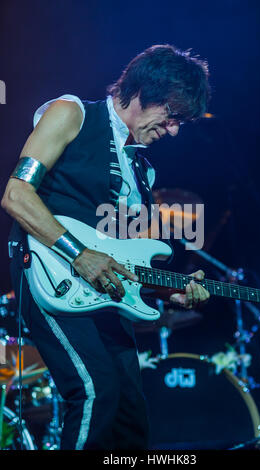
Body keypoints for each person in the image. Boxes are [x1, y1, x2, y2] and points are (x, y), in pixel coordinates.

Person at [1, 44, 211, 450]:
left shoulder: (142, 170)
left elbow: (125, 262)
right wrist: (79, 254)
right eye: (171, 115)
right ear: (142, 92)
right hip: (49, 274)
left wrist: (173, 290)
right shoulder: (72, 113)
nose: (174, 130)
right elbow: (16, 194)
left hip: (102, 294)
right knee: (96, 393)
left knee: (131, 415)